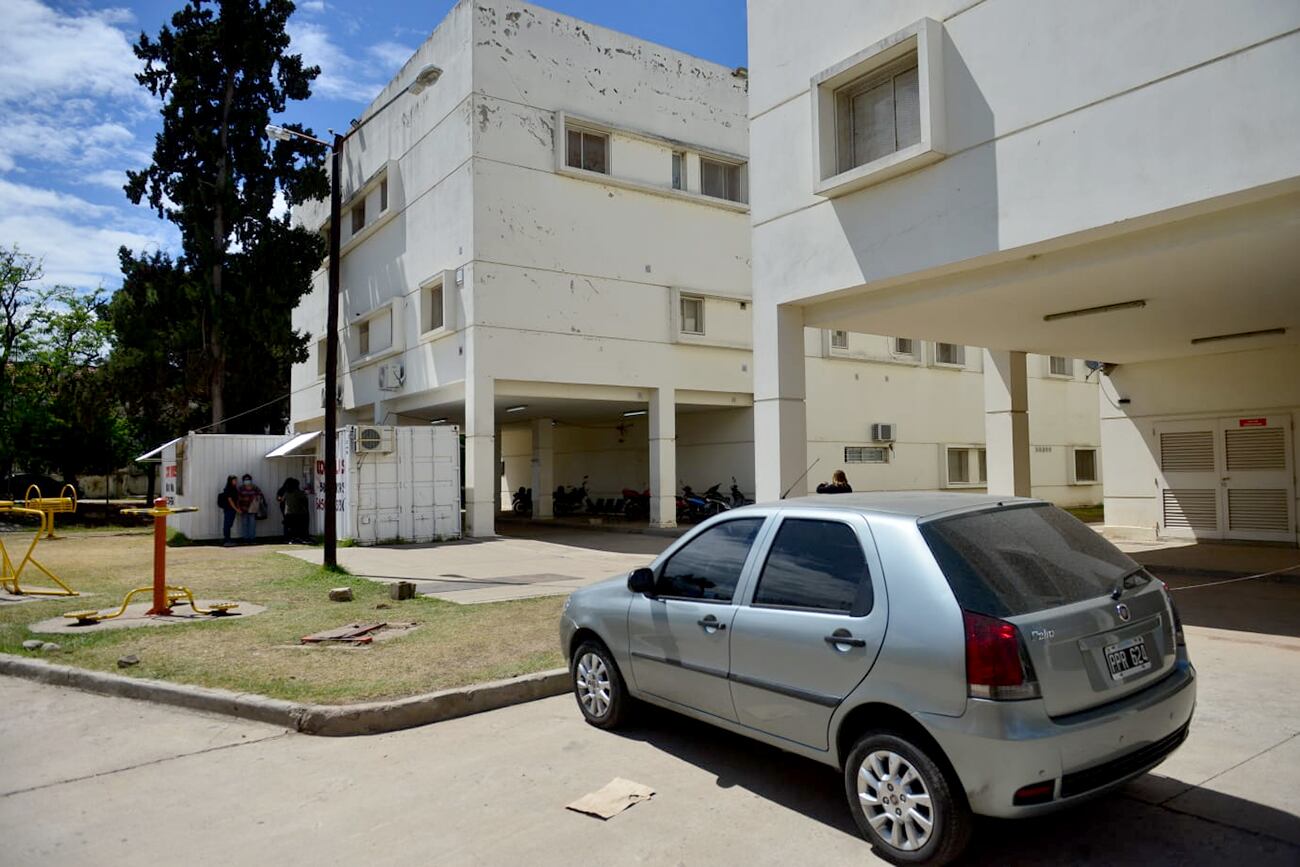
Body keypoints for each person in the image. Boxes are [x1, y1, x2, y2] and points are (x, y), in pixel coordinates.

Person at [280, 477, 311, 544]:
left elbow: (282, 500)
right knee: (297, 527)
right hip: (297, 513)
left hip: (288, 513)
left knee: (290, 527)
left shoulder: (286, 493)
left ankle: (289, 539)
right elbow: (305, 501)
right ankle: (298, 538)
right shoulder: (298, 493)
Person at [236, 474, 264, 543]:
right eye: (245, 480)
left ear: (251, 480)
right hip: (243, 509)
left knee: (252, 524)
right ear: (243, 481)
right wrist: (238, 508)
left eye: (248, 479)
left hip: (253, 510)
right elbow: (237, 499)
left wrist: (255, 499)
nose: (247, 481)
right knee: (244, 524)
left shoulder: (255, 487)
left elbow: (260, 495)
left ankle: (252, 539)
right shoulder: (240, 488)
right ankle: (245, 539)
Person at [218, 475, 240, 547]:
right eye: (234, 480)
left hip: (232, 509)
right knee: (227, 524)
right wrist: (236, 509)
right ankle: (227, 540)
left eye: (236, 480)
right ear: (230, 481)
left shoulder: (234, 488)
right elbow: (230, 500)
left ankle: (227, 539)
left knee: (229, 524)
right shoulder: (229, 489)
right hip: (229, 509)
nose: (236, 482)